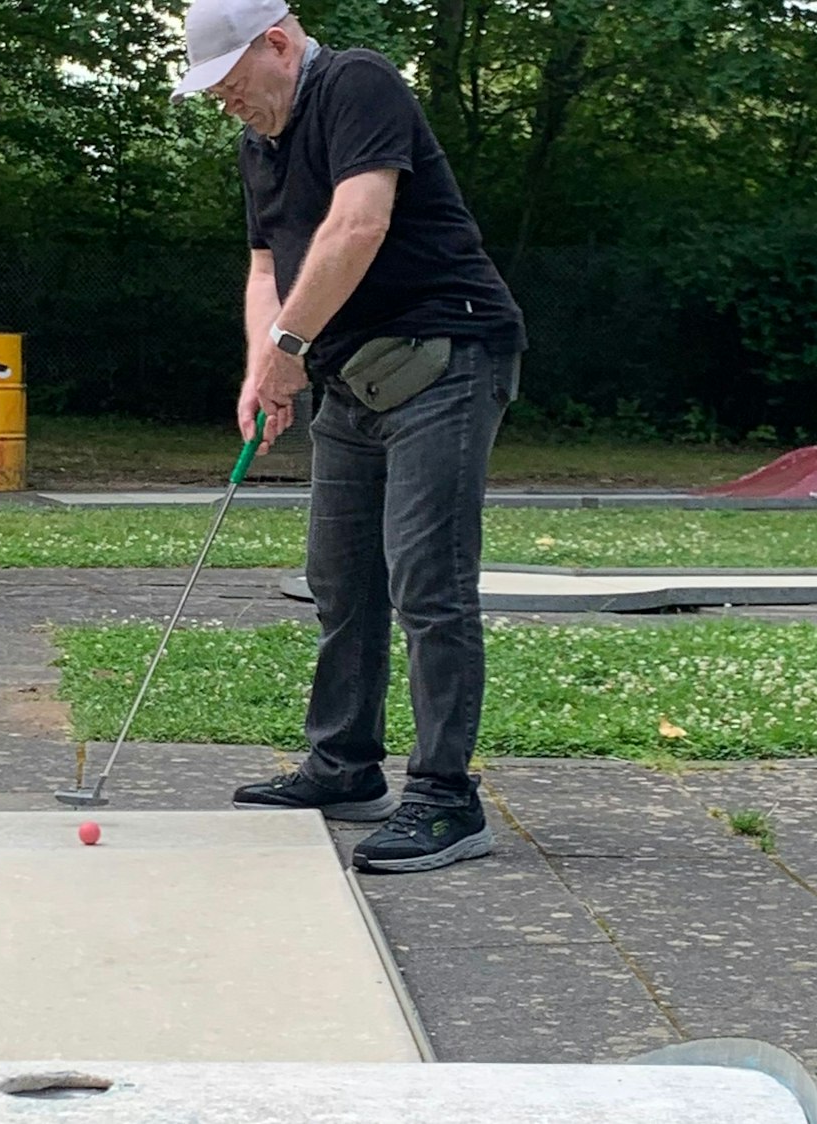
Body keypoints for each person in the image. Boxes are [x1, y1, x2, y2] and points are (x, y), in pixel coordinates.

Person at [171, 0, 526, 873]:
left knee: (426, 580)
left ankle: (447, 799)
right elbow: (266, 267)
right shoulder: (259, 144)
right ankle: (343, 766)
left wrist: (289, 349)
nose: (226, 103)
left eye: (229, 82)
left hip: (446, 354)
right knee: (340, 579)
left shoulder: (356, 82)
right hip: (349, 375)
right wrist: (264, 368)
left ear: (278, 44)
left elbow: (358, 223)